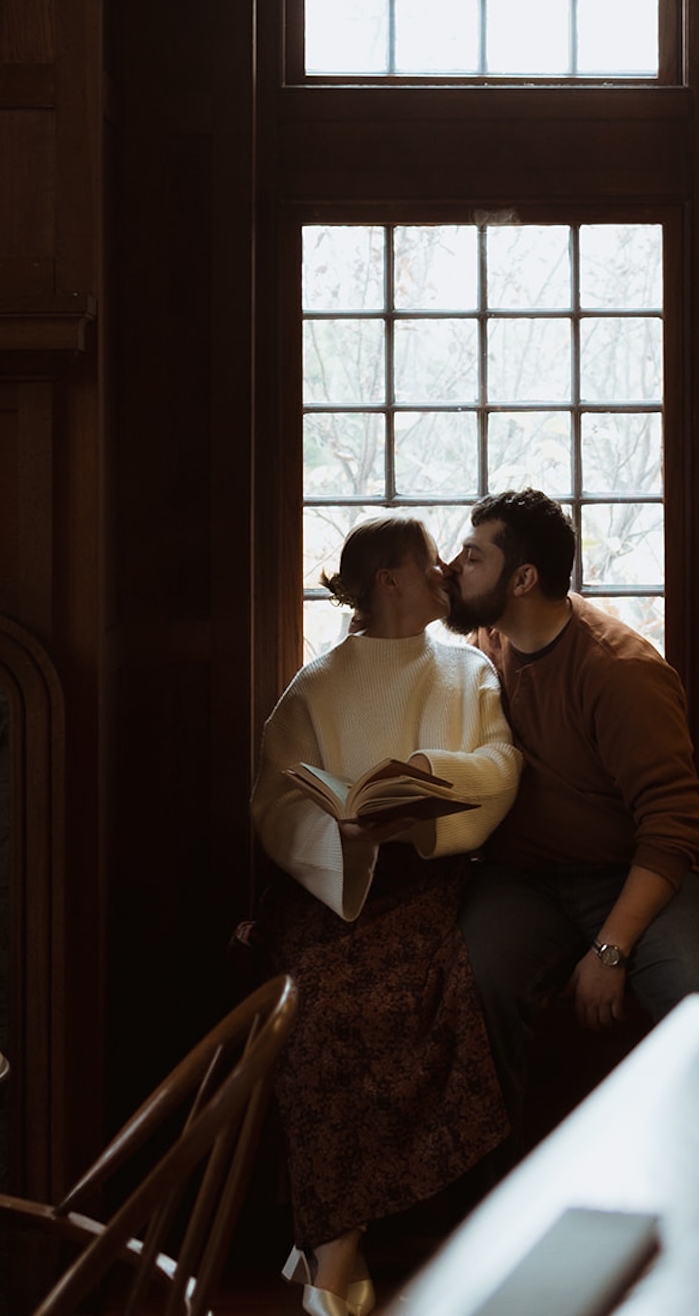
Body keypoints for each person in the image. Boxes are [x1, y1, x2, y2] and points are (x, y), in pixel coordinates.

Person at [250, 516, 521, 1316]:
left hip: (424, 880)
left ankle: (329, 1259)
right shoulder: (319, 682)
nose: (445, 568)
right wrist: (342, 835)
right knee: (316, 1006)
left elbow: (502, 765)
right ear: (390, 581)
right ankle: (338, 1249)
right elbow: (273, 796)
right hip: (331, 885)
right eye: (425, 560)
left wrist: (426, 788)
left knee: (411, 997)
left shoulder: (467, 668)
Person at [444, 489, 699, 1148]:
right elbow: (417, 607)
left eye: (471, 556)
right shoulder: (484, 643)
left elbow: (672, 826)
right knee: (473, 983)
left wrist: (612, 948)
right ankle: (502, 1211)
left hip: (635, 872)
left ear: (523, 578)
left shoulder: (620, 671)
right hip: (525, 880)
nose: (454, 568)